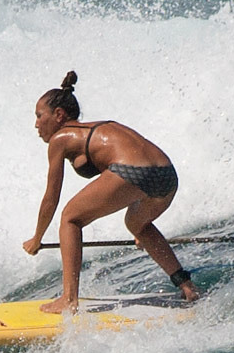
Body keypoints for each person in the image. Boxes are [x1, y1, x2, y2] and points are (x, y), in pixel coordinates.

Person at [23, 71, 199, 314]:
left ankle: (68, 299)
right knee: (138, 225)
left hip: (132, 172)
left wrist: (37, 238)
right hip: (167, 174)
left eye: (39, 116)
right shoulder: (101, 126)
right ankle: (187, 287)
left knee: (70, 218)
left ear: (59, 115)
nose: (36, 124)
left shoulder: (60, 138)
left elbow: (51, 197)